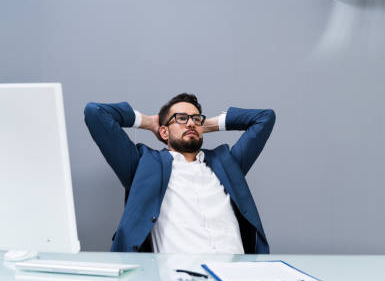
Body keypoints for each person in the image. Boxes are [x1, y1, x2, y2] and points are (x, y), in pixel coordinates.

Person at [83, 93, 275, 254]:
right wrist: (150, 122)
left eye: (196, 118)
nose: (190, 123)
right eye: (182, 118)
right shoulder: (143, 164)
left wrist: (207, 124)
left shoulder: (227, 164)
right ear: (164, 132)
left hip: (236, 279)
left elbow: (264, 118)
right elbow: (95, 113)